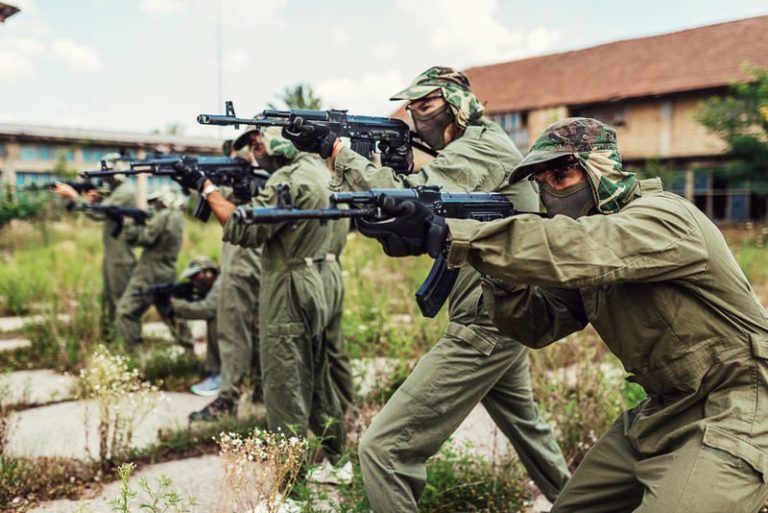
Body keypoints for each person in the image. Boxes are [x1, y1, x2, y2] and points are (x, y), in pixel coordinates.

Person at [355, 117, 768, 513]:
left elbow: (585, 247)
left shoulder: (665, 216)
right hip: (665, 409)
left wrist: (454, 234)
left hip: (739, 403)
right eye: (540, 182)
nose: (550, 193)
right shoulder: (584, 241)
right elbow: (537, 325)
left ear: (599, 170)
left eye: (561, 176)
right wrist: (499, 271)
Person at [283, 66, 570, 511]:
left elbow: (411, 196)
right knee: (528, 430)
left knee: (383, 451)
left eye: (427, 105)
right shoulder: (470, 149)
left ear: (459, 106)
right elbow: (415, 227)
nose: (418, 117)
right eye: (412, 107)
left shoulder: (483, 146)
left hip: (488, 319)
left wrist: (338, 152)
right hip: (503, 309)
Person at [175, 127, 346, 459]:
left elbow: (243, 227)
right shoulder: (319, 171)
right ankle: (338, 461)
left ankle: (291, 490)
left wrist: (206, 187)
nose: (256, 154)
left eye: (259, 144)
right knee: (319, 381)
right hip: (318, 278)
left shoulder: (287, 179)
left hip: (289, 287)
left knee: (283, 387)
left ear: (282, 141)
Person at [189, 140, 263, 421]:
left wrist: (207, 187)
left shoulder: (262, 183)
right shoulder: (256, 184)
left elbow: (231, 216)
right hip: (252, 265)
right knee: (256, 334)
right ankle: (260, 392)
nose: (233, 157)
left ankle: (228, 398)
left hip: (244, 266)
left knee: (233, 334)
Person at [53, 152, 136, 338]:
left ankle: (128, 343)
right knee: (110, 300)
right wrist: (93, 198)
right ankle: (114, 340)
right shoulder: (116, 189)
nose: (103, 179)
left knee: (120, 300)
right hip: (113, 253)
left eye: (106, 174)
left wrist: (75, 196)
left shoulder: (125, 190)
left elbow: (99, 214)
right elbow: (103, 207)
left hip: (121, 256)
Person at [115, 186, 192, 349]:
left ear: (163, 201)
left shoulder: (164, 216)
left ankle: (132, 354)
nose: (152, 207)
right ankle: (188, 347)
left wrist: (128, 224)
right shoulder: (178, 217)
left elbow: (145, 238)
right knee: (170, 312)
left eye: (154, 202)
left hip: (149, 271)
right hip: (166, 271)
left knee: (126, 312)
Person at [171, 256, 222, 396]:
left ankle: (222, 374)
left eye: (196, 276)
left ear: (209, 273)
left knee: (216, 320)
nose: (195, 282)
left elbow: (207, 309)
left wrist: (176, 305)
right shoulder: (218, 283)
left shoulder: (222, 283)